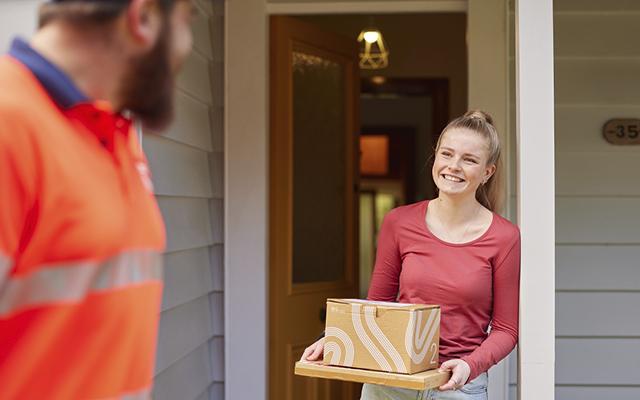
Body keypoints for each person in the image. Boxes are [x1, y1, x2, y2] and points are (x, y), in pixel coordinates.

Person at [0, 0, 194, 398]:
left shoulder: (116, 135)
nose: (186, 48)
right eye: (186, 21)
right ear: (142, 18)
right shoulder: (9, 126)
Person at [301, 110, 520, 400]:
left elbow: (506, 330)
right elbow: (378, 305)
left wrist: (469, 366)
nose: (453, 166)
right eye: (447, 154)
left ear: (487, 172)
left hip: (458, 388)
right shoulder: (399, 222)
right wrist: (334, 338)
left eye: (469, 159)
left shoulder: (504, 237)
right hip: (390, 381)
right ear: (436, 157)